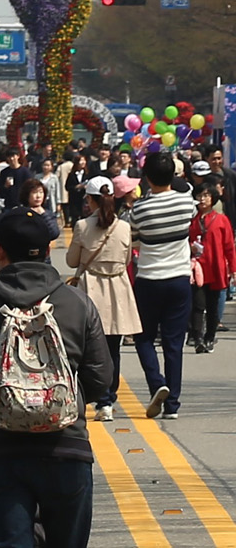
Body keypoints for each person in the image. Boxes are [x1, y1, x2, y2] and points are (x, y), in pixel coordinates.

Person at [0, 209, 111, 548]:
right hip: (66, 449)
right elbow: (101, 379)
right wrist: (57, 403)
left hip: (0, 451)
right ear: (48, 249)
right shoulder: (78, 304)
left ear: (0, 252)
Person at [65, 175, 138, 420]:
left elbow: (72, 261)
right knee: (113, 348)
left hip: (91, 286)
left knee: (89, 348)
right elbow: (127, 259)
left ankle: (98, 396)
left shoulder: (83, 226)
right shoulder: (124, 226)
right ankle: (109, 397)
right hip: (117, 286)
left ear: (91, 200)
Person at [128, 152, 194, 417]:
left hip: (149, 280)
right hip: (179, 279)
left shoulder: (140, 209)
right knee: (174, 343)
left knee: (143, 338)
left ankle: (157, 383)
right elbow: (188, 208)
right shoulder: (186, 203)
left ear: (146, 178)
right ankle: (173, 405)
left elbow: (133, 240)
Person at [189, 179, 234, 352]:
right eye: (200, 195)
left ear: (213, 198)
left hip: (216, 267)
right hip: (198, 268)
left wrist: (233, 269)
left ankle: (210, 336)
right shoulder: (192, 221)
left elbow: (229, 246)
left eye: (206, 195)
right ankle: (198, 337)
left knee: (213, 306)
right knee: (198, 305)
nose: (202, 199)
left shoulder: (221, 220)